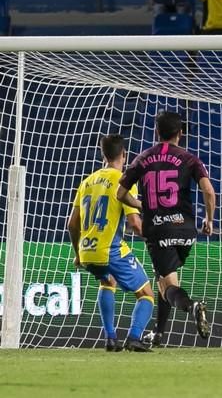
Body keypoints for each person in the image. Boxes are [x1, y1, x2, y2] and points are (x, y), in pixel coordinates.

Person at [117, 111, 217, 347]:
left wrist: (142, 204)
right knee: (166, 277)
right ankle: (159, 333)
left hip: (159, 231)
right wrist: (210, 220)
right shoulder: (190, 158)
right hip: (186, 231)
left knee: (168, 286)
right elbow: (209, 191)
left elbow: (120, 194)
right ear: (180, 134)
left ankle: (191, 306)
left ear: (156, 132)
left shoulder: (142, 159)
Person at [67, 134, 154, 352]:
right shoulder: (124, 180)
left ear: (103, 155)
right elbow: (135, 223)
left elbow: (71, 224)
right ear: (124, 155)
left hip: (87, 251)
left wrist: (78, 253)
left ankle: (110, 339)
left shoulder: (87, 182)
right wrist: (155, 238)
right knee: (146, 294)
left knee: (108, 282)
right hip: (110, 249)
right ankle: (134, 337)